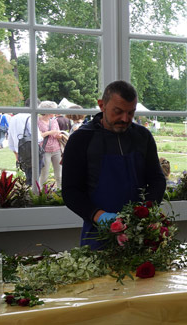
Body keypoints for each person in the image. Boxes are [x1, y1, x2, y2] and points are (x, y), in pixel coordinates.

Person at [62, 81, 167, 249]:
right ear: (102, 105)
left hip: (139, 234)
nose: (125, 119)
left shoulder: (143, 136)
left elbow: (157, 180)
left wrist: (145, 212)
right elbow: (70, 191)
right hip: (97, 235)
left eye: (131, 113)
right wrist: (99, 216)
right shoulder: (81, 139)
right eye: (118, 112)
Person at [8, 112, 42, 184]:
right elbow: (38, 138)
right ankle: (33, 193)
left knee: (28, 175)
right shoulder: (30, 117)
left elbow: (10, 138)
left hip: (21, 151)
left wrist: (16, 154)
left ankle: (29, 191)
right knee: (35, 178)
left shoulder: (13, 118)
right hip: (32, 150)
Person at [38, 102, 63, 189]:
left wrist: (59, 135)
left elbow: (57, 132)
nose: (55, 112)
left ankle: (60, 193)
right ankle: (41, 194)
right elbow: (38, 135)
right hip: (44, 150)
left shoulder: (54, 121)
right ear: (48, 110)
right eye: (53, 110)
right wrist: (50, 132)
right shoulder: (37, 121)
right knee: (44, 174)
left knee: (59, 174)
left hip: (56, 149)